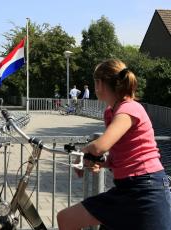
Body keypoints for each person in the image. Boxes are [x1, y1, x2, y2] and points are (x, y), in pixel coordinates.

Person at [57, 59, 171, 230]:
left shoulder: (130, 108)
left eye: (95, 81)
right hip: (127, 188)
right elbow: (120, 155)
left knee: (66, 219)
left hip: (146, 189)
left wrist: (83, 153)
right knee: (66, 219)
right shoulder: (111, 112)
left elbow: (99, 146)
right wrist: (101, 162)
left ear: (100, 84)